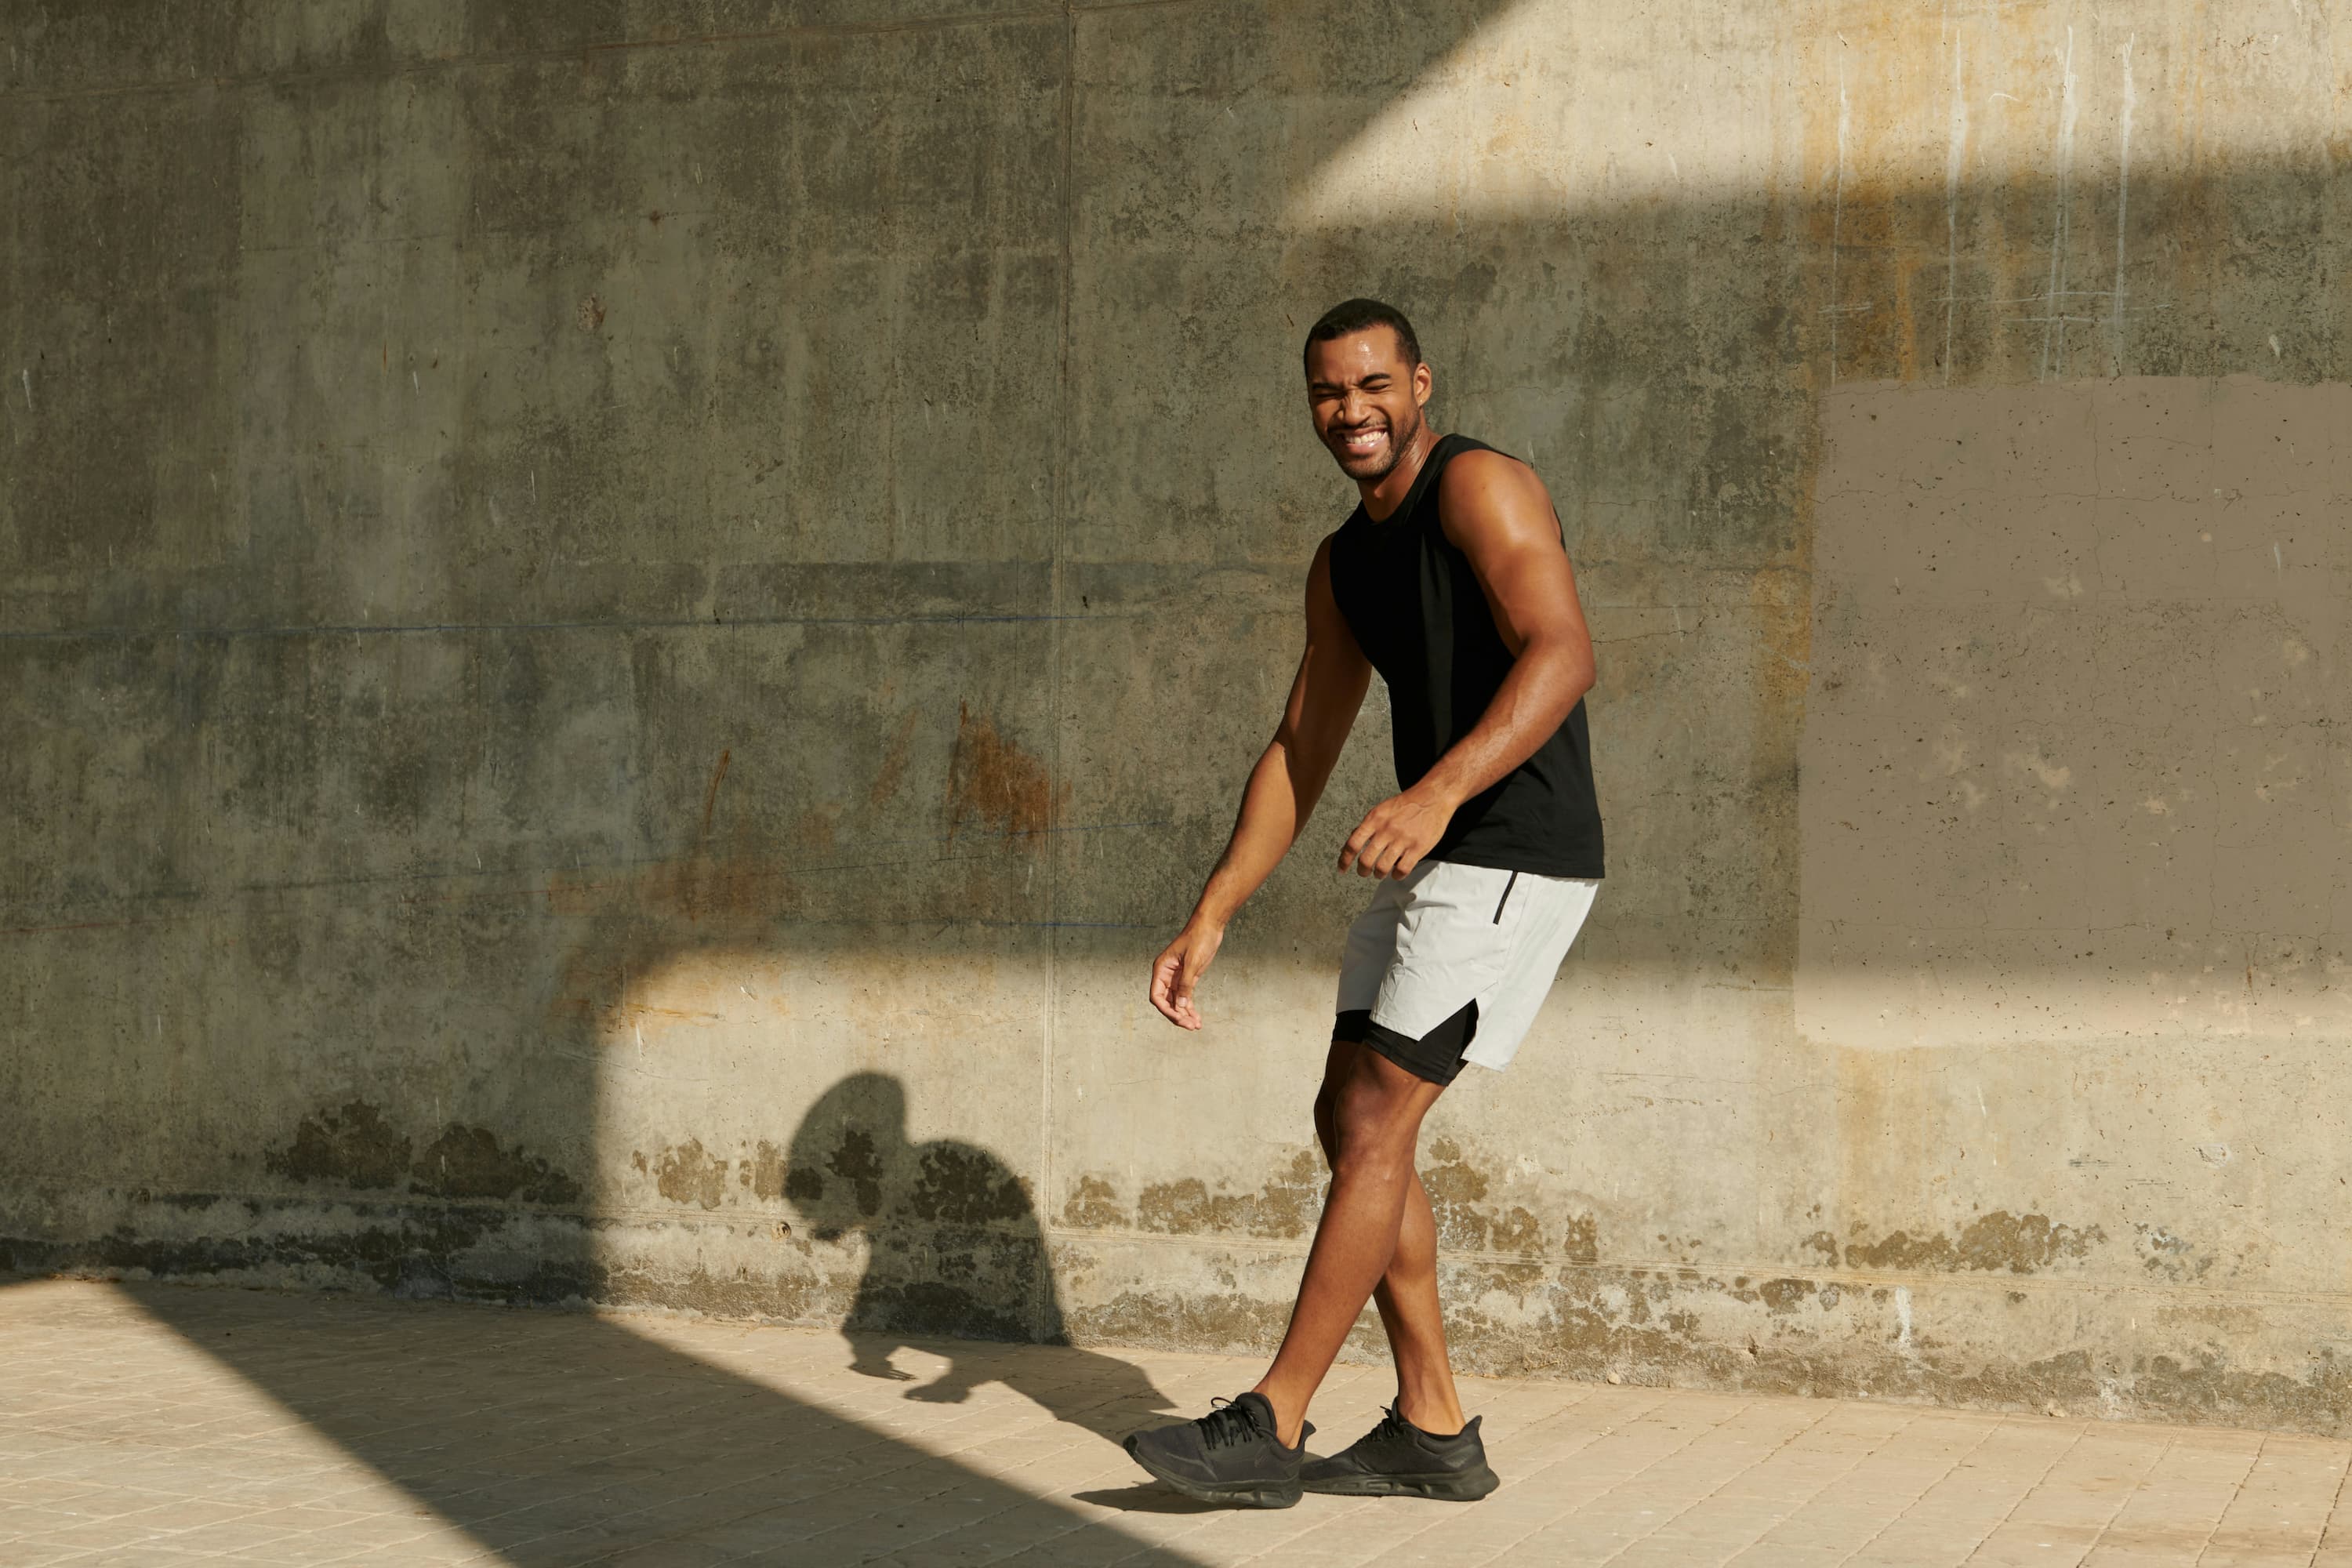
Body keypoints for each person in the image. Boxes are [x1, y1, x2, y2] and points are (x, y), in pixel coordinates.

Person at [1121, 298, 1605, 1508]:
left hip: (1515, 845)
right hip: (1439, 845)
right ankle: (1433, 1426)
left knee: (1382, 1119)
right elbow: (1301, 744)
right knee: (1349, 1120)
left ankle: (1272, 1425)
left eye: (1374, 385)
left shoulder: (1481, 487)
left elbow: (1563, 651)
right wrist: (1213, 912)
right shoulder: (1343, 565)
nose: (1354, 412)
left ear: (1421, 384)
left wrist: (1438, 794)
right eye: (1330, 395)